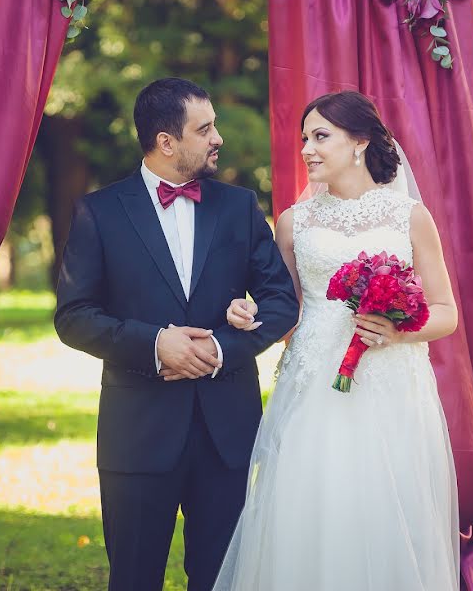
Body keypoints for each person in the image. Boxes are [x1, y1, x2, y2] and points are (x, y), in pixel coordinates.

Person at [54, 77, 299, 591]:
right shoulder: (98, 213)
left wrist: (219, 347)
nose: (218, 139)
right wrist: (152, 344)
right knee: (134, 578)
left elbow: (282, 301)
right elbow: (74, 316)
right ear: (167, 142)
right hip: (137, 433)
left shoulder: (238, 207)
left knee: (220, 579)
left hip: (226, 434)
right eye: (204, 128)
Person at [213, 90, 460, 590]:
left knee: (384, 504)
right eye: (303, 137)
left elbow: (446, 313)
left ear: (360, 142)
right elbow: (284, 312)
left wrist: (397, 329)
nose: (306, 148)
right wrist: (249, 312)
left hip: (390, 385)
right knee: (311, 502)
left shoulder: (408, 216)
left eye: (320, 136)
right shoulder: (293, 222)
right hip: (314, 384)